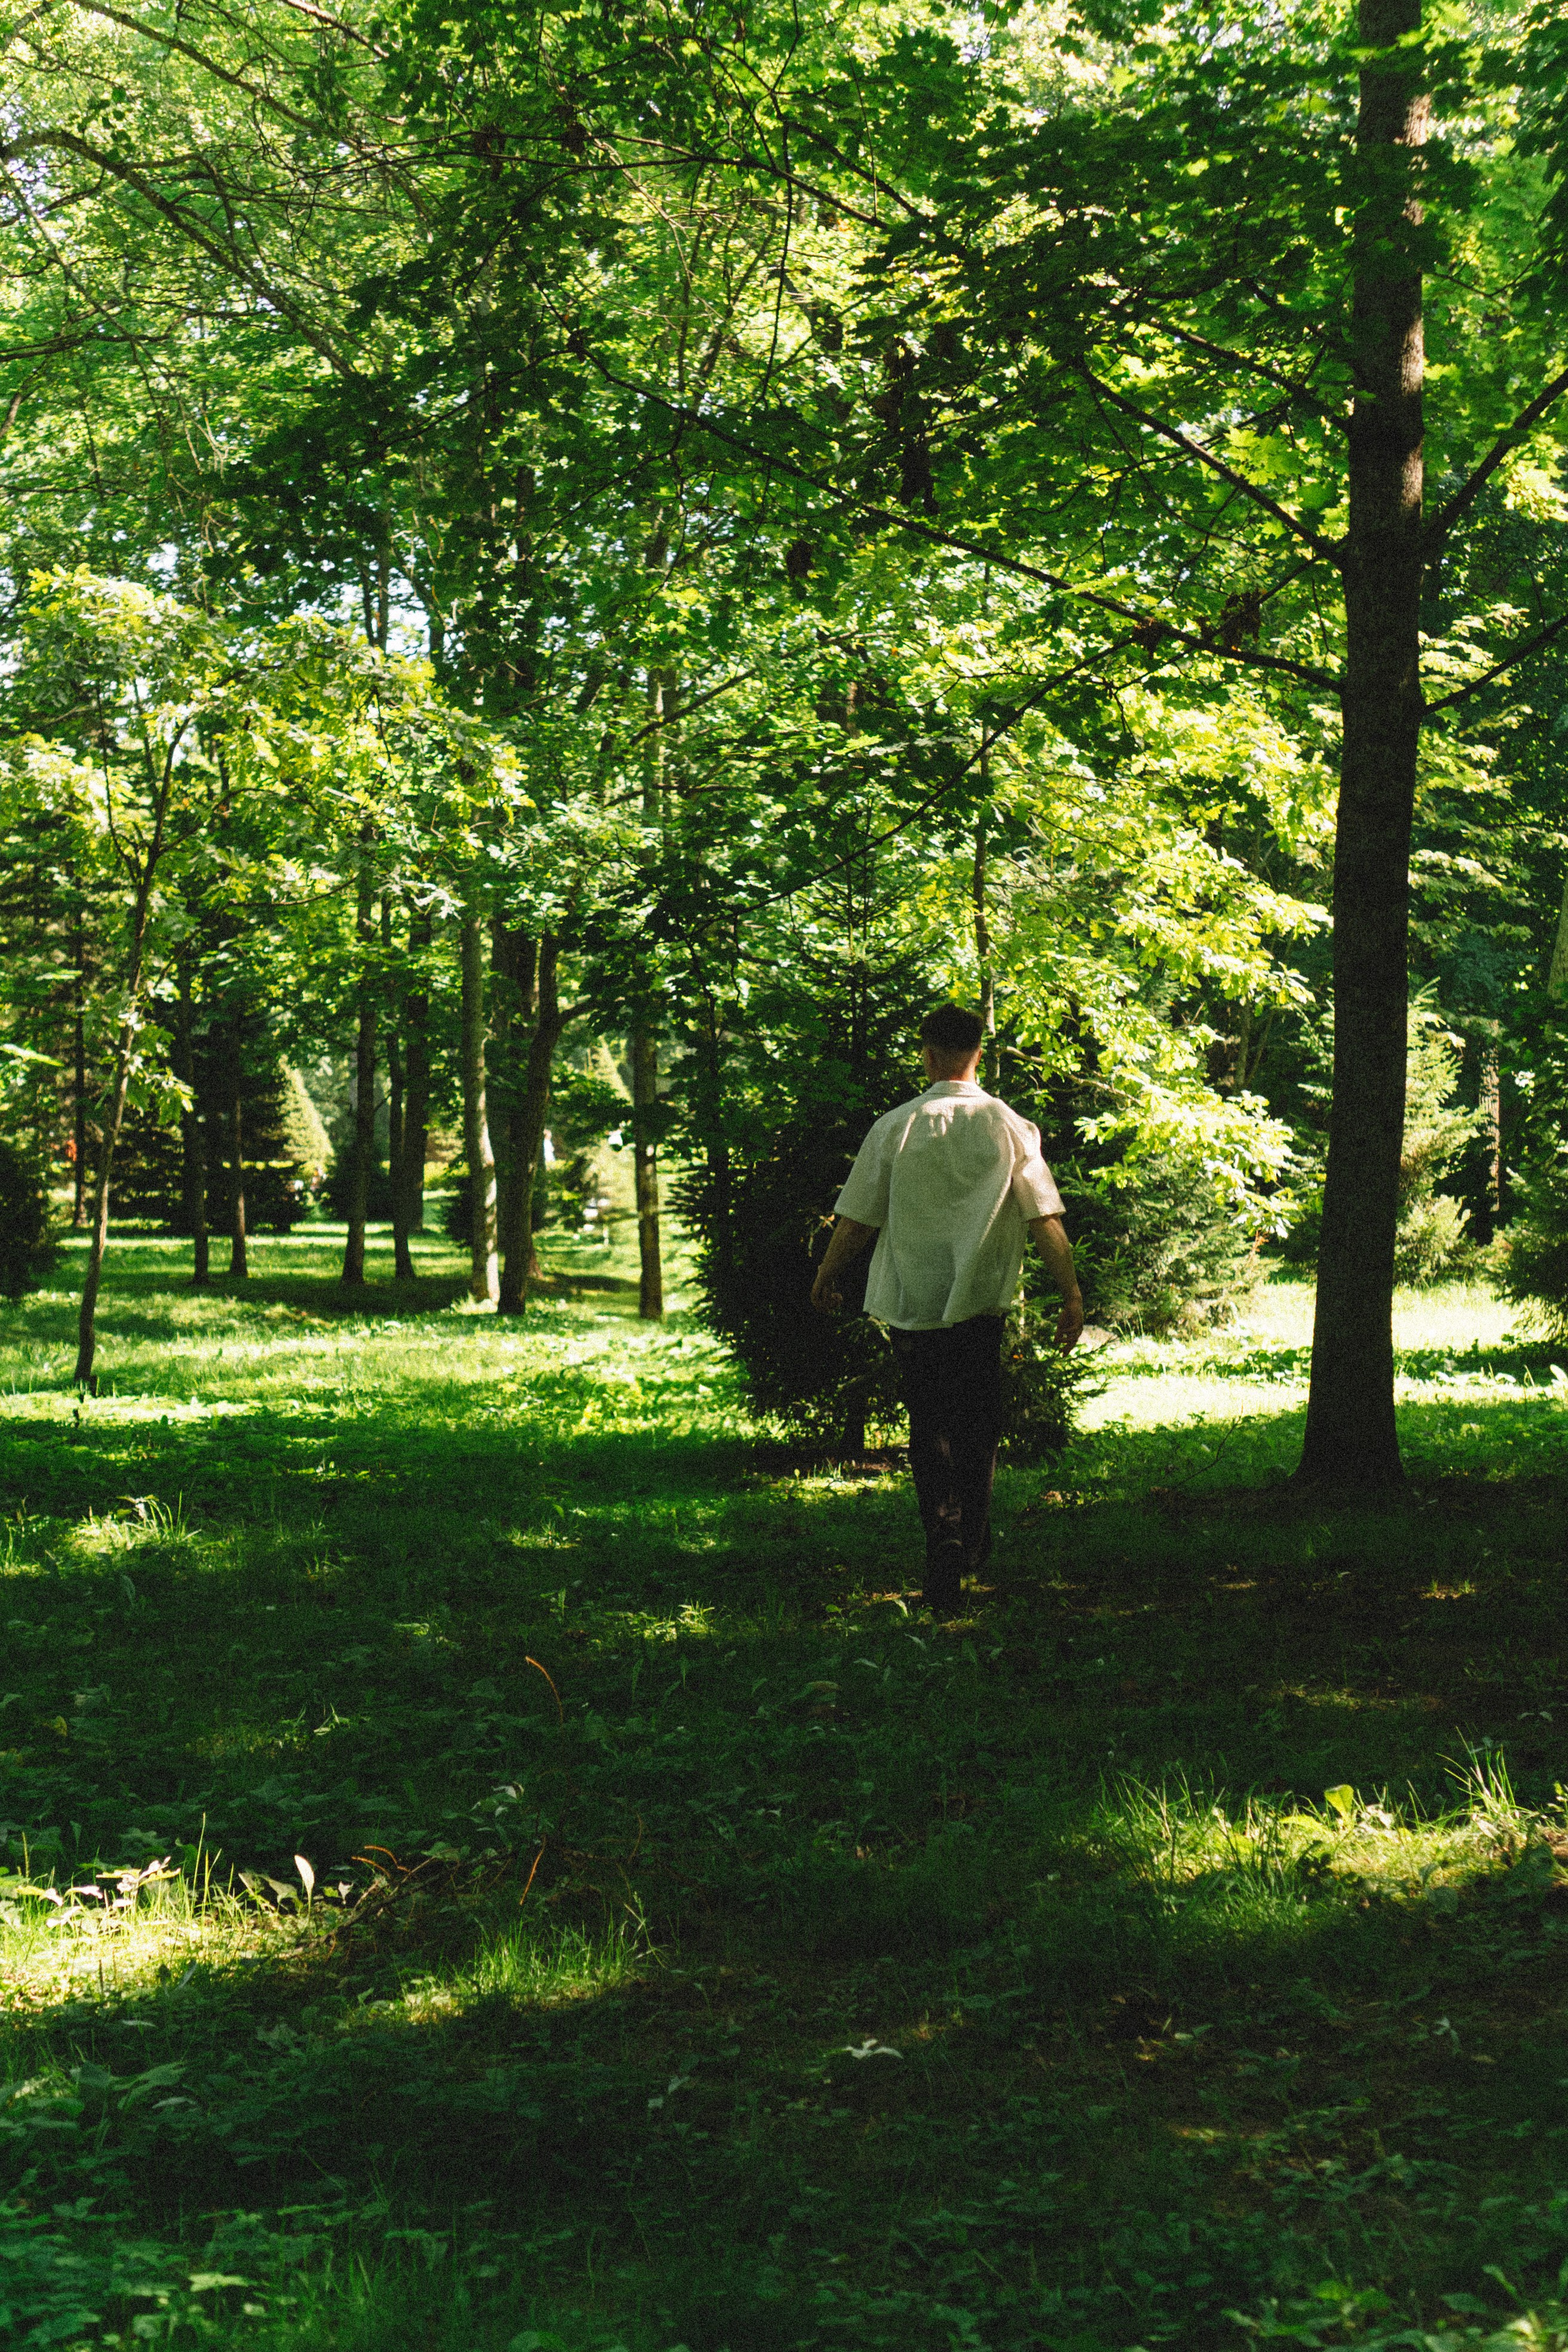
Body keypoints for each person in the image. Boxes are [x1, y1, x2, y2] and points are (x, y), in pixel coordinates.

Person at [810, 1005, 1083, 1613]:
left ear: (927, 1054)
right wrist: (1069, 1291)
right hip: (980, 1308)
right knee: (977, 1426)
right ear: (977, 1054)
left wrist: (828, 1275)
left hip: (912, 1306)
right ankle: (970, 1542)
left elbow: (856, 1218)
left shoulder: (894, 1127)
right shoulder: (1008, 1125)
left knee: (927, 1424)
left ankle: (943, 1538)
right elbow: (1044, 1217)